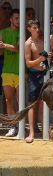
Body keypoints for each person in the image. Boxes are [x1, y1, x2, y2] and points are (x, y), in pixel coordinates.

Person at [24, 19, 46, 143]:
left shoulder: (44, 39)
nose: (37, 30)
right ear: (29, 29)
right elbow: (28, 63)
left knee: (44, 103)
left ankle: (44, 132)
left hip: (44, 74)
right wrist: (40, 59)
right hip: (33, 75)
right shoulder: (28, 43)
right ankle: (31, 132)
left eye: (37, 27)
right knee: (32, 104)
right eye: (34, 28)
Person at [0, 9, 19, 137]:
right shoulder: (2, 32)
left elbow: (17, 49)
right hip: (7, 71)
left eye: (19, 18)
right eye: (16, 18)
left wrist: (4, 45)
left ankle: (21, 126)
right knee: (8, 100)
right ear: (11, 19)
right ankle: (13, 126)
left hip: (19, 71)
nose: (18, 21)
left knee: (20, 100)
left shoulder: (23, 33)